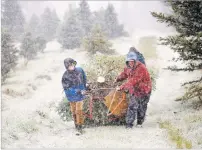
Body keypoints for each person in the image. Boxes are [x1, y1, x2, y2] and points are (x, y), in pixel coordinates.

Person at [114, 52, 152, 128]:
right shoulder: (128, 67)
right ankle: (129, 125)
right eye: (129, 61)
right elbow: (124, 74)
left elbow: (133, 81)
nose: (130, 63)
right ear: (127, 61)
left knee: (142, 107)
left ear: (135, 61)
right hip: (135, 90)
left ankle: (139, 123)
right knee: (132, 106)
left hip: (144, 90)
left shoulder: (141, 68)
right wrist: (117, 79)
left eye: (132, 61)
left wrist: (121, 87)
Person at [61, 58, 87, 135]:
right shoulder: (65, 76)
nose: (72, 67)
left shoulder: (80, 70)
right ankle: (76, 125)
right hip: (71, 96)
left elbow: (84, 79)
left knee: (79, 111)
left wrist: (85, 87)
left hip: (80, 95)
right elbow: (67, 88)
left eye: (72, 65)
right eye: (69, 66)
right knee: (74, 111)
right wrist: (77, 91)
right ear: (66, 66)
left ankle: (80, 127)